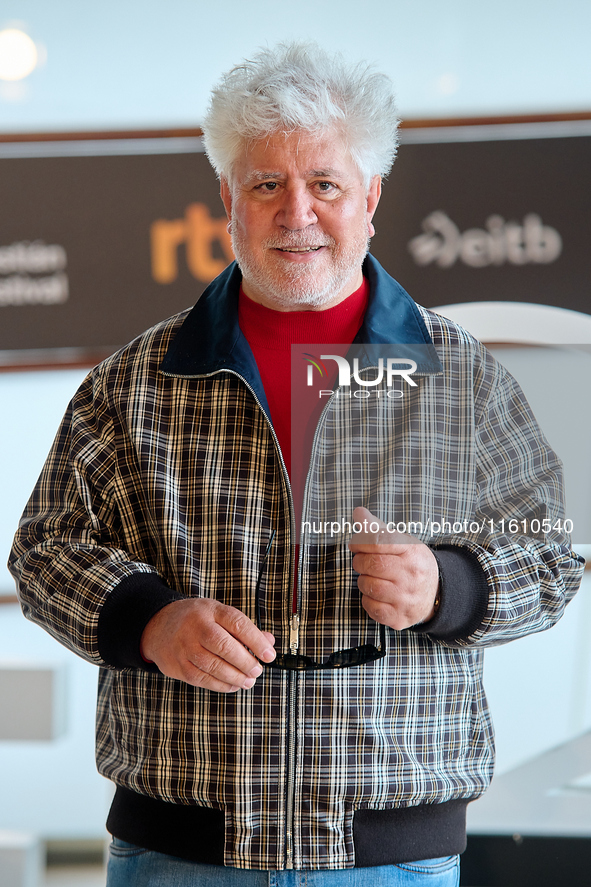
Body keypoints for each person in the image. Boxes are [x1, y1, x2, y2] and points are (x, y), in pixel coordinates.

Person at [9, 41, 584, 887]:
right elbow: (45, 551)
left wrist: (445, 586)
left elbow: (547, 558)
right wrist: (148, 620)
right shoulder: (133, 382)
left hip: (391, 859)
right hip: (178, 854)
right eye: (266, 184)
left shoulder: (466, 377)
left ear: (370, 198)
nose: (296, 213)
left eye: (324, 184)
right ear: (227, 200)